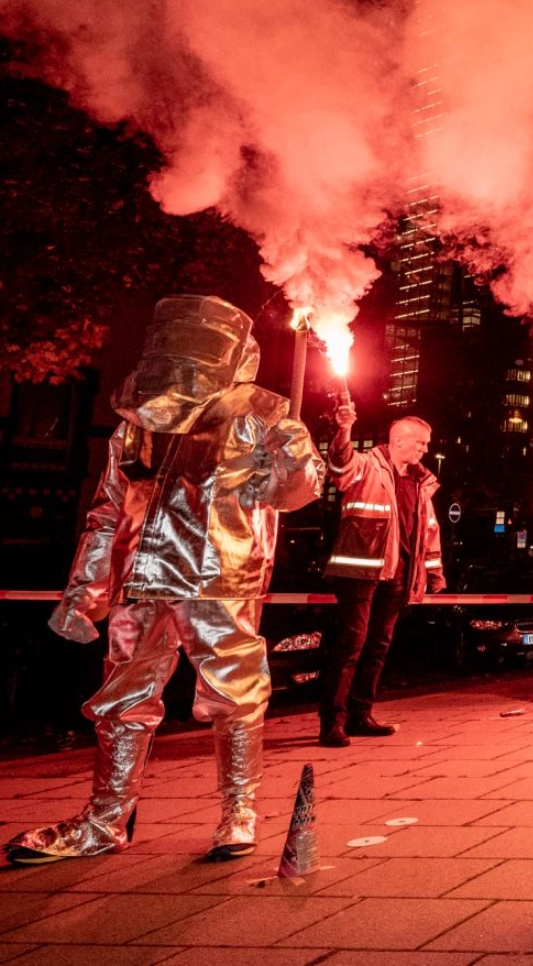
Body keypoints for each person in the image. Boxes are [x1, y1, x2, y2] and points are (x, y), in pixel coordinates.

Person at [7, 296, 324, 865]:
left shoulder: (260, 412)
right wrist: (83, 592)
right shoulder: (137, 421)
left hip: (217, 579)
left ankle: (239, 813)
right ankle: (105, 820)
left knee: (234, 698)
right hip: (140, 582)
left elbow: (290, 495)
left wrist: (297, 459)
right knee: (121, 702)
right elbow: (108, 511)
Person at [318, 408, 445, 745]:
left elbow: (429, 531)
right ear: (398, 440)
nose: (424, 449)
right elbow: (339, 465)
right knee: (351, 644)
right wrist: (344, 428)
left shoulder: (420, 482)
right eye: (420, 443)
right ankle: (332, 721)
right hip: (360, 570)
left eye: (426, 444)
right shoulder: (366, 465)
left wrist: (435, 574)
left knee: (377, 646)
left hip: (398, 574)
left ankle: (361, 715)